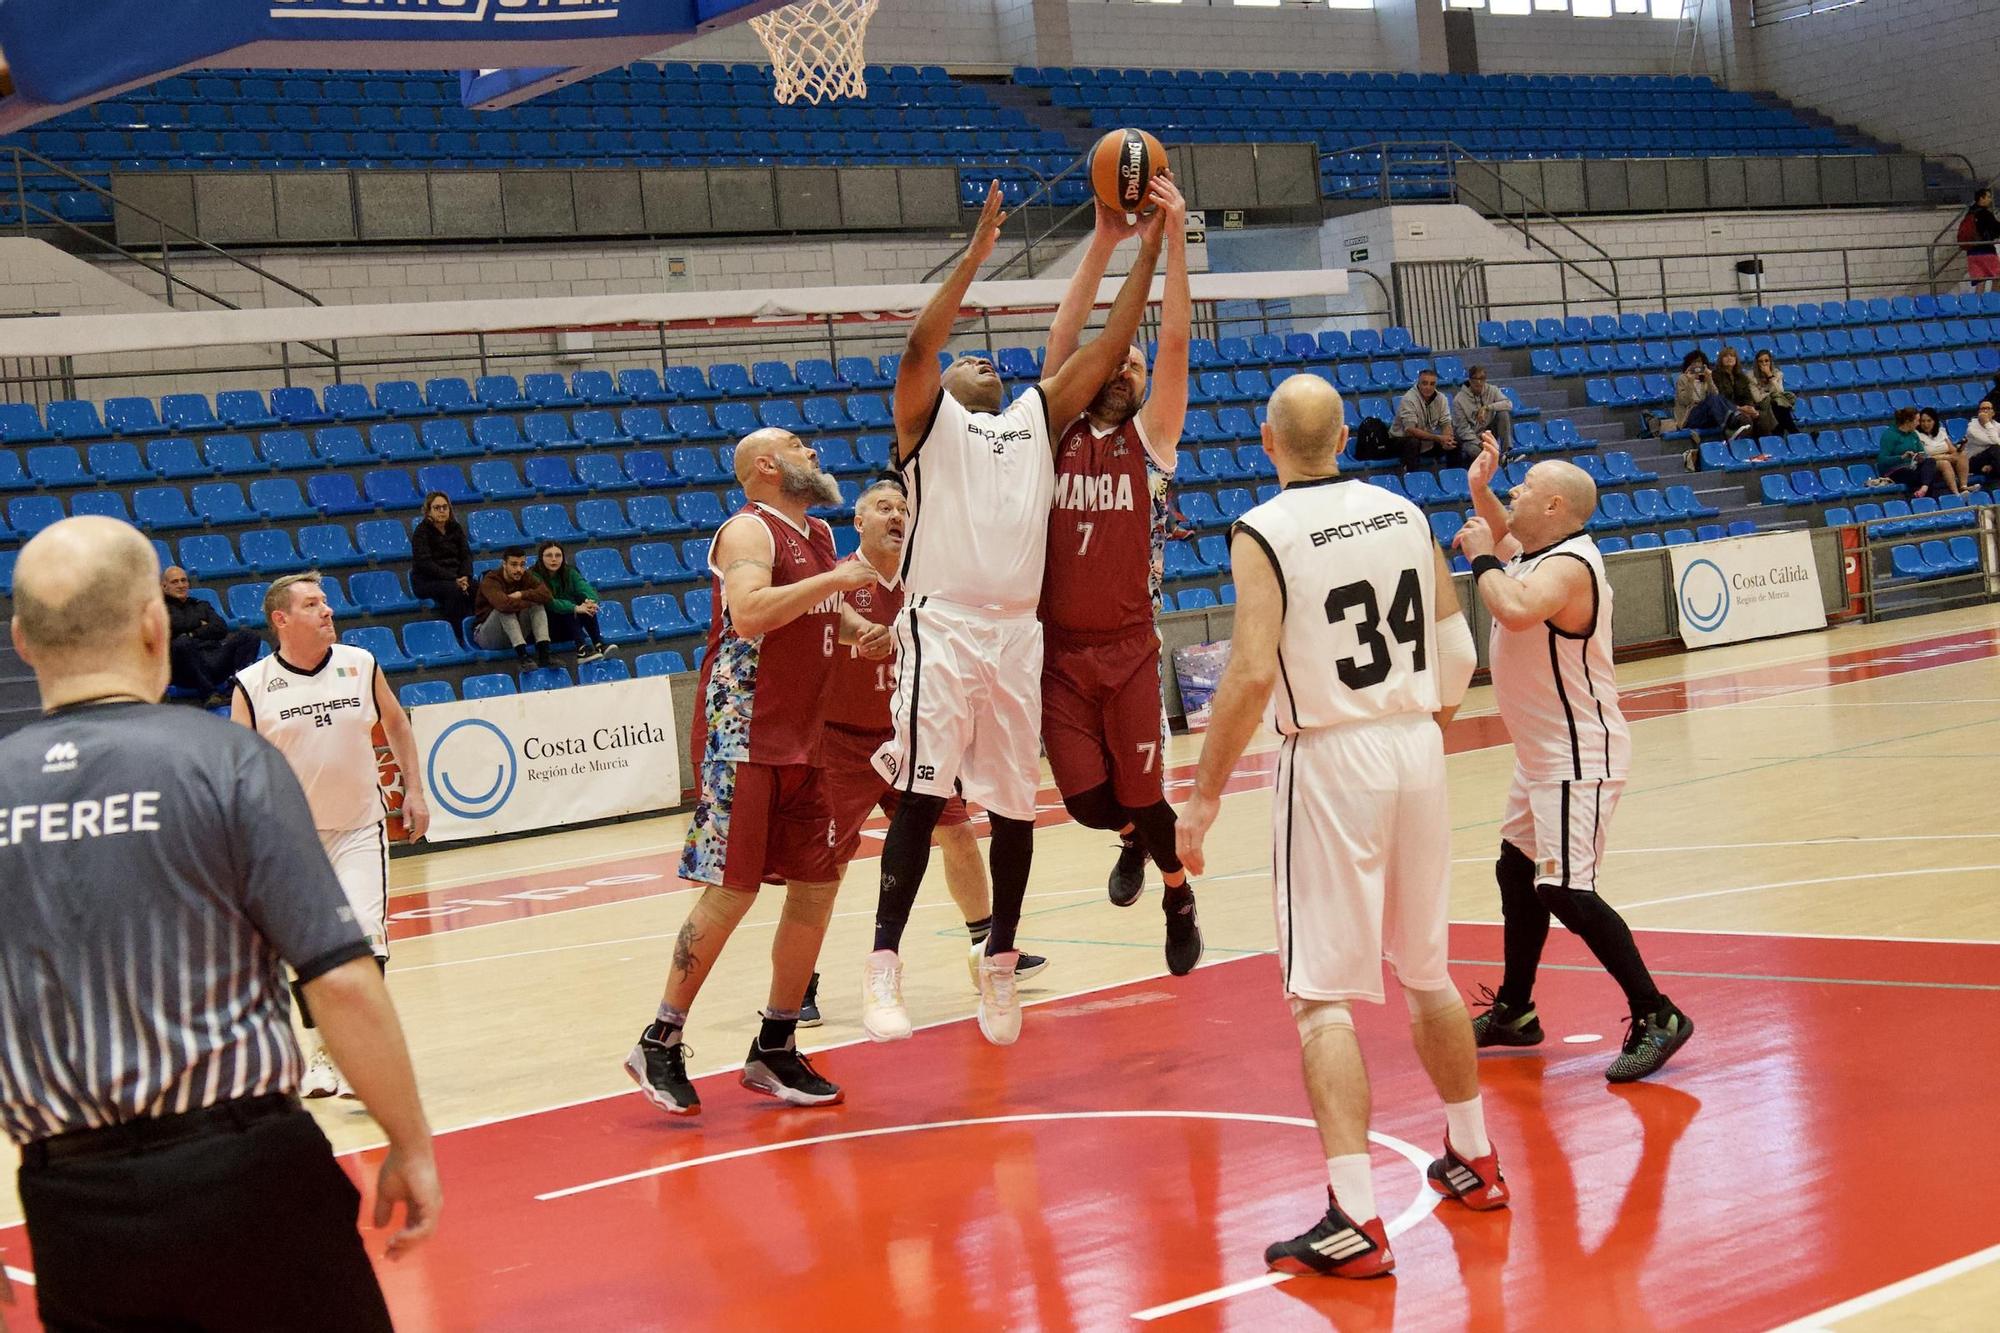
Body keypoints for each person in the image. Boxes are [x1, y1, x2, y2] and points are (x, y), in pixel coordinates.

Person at [1, 516, 439, 1331]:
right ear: (152, 623)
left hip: (71, 1203)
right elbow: (339, 978)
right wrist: (408, 1142)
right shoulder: (223, 759)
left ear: (22, 639)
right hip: (246, 1166)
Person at [1175, 376, 1500, 1280]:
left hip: (1327, 756)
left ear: (1266, 440)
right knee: (1427, 969)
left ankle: (1354, 1214)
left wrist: (1200, 798)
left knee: (1319, 993)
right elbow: (1461, 647)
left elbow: (1245, 674)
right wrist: (1427, 722)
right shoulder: (1402, 509)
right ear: (1349, 434)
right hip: (1416, 746)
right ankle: (1473, 1156)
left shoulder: (1262, 529)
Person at [860, 179, 1167, 1048]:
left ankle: (999, 961)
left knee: (1013, 809)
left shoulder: (1036, 413)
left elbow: (1109, 346)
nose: (981, 357)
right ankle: (884, 961)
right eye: (969, 357)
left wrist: (1143, 247)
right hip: (945, 624)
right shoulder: (927, 424)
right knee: (921, 795)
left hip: (1015, 635)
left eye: (990, 354)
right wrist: (974, 263)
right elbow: (921, 344)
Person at [625, 429, 891, 1116]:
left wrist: (863, 630)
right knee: (733, 889)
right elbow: (748, 613)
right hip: (746, 734)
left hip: (809, 735)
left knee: (818, 885)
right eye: (801, 446)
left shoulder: (821, 537)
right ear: (767, 466)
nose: (818, 453)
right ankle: (660, 1037)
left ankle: (774, 1044)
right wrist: (838, 584)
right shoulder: (748, 530)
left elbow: (815, 609)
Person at [1455, 442, 1694, 1084]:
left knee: (1565, 888)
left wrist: (1478, 554)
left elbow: (1513, 605)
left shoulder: (1567, 568)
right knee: (1515, 869)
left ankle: (1657, 1014)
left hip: (1578, 752)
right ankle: (1515, 1010)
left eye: (1524, 486)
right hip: (1542, 755)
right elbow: (1507, 550)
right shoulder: (1540, 555)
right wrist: (1482, 488)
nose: (1515, 493)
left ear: (1556, 504)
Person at [805, 476, 1050, 1025]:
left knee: (958, 834)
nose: (896, 515)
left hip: (914, 733)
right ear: (859, 522)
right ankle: (803, 978)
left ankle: (987, 946)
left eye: (904, 508)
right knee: (827, 862)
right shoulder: (836, 579)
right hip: (843, 740)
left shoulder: (931, 582)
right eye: (884, 507)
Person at [1036, 179, 1201, 974]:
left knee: (1142, 794)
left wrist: (1170, 240)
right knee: (1085, 804)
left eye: (1131, 359)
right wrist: (1103, 242)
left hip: (1130, 648)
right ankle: (1133, 838)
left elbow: (1172, 344)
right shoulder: (1054, 428)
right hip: (1061, 654)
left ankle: (1175, 888)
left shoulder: (1153, 443)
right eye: (1114, 355)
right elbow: (1067, 338)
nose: (1124, 363)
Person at [231, 571, 432, 1099]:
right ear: (282, 619)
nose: (327, 610)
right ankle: (323, 1054)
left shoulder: (359, 664)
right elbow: (240, 766)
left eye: (325, 602)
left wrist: (414, 791)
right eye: (313, 604)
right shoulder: (252, 685)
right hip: (292, 840)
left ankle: (363, 1061)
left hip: (360, 827)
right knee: (312, 951)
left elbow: (397, 724)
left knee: (367, 935)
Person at [161, 565, 260, 704]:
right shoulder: (158, 608)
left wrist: (192, 633)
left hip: (214, 658)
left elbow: (221, 628)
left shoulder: (201, 605)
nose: (181, 585)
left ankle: (235, 689)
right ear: (164, 586)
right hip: (185, 669)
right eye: (175, 582)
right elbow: (172, 627)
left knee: (249, 635)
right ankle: (210, 695)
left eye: (184, 580)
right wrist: (200, 624)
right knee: (182, 642)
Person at [533, 540, 613, 663]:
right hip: (546, 630)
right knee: (569, 606)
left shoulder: (569, 571)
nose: (554, 559)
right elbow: (550, 602)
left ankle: (599, 644)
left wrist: (590, 602)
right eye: (549, 555)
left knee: (584, 603)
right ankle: (582, 649)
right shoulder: (533, 576)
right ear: (541, 558)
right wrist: (575, 608)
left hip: (569, 627)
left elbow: (584, 587)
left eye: (558, 555)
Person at [409, 491, 476, 637]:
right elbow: (425, 564)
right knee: (454, 591)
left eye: (445, 507)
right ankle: (457, 634)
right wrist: (454, 579)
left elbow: (466, 555)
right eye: (437, 508)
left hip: (457, 577)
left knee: (478, 587)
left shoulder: (455, 528)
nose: (442, 511)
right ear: (428, 511)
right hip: (427, 580)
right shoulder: (421, 532)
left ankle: (478, 631)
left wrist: (465, 576)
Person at [475, 546, 554, 666]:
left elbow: (547, 595)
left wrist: (521, 594)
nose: (519, 569)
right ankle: (522, 656)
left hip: (514, 631)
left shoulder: (525, 576)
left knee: (537, 605)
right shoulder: (490, 580)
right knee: (503, 609)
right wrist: (528, 601)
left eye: (522, 565)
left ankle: (544, 654)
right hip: (488, 635)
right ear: (504, 564)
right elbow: (503, 605)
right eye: (514, 564)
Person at [1667, 350, 1758, 450]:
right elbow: (1684, 401)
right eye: (1694, 363)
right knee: (1711, 399)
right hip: (1689, 417)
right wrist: (1690, 382)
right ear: (1688, 365)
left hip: (1706, 415)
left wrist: (1709, 378)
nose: (1697, 365)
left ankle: (1735, 421)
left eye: (1699, 363)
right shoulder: (1683, 379)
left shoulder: (1705, 380)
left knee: (1716, 397)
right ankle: (1733, 422)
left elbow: (1716, 396)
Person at [1390, 367, 1460, 471]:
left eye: (1432, 384)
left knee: (1455, 442)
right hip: (1400, 440)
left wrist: (1447, 438)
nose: (1428, 387)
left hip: (1426, 441)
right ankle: (1412, 477)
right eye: (1425, 383)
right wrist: (1439, 438)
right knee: (1413, 442)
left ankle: (1454, 478)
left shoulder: (1441, 398)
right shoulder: (1408, 399)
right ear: (1418, 383)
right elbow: (1410, 430)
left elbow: (1446, 422)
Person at [1877, 406, 1944, 497]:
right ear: (1908, 422)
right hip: (1895, 470)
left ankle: (1924, 489)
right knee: (1925, 476)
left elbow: (1922, 452)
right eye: (1917, 421)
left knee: (1930, 461)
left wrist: (1919, 457)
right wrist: (1901, 457)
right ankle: (1928, 496)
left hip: (1912, 466)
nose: (1918, 424)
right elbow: (1882, 460)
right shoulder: (1889, 435)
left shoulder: (1913, 434)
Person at [1451, 365, 1512, 459]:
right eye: (1476, 382)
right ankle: (1496, 462)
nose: (1479, 384)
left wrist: (1487, 407)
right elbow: (1462, 430)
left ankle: (1506, 454)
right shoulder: (1458, 400)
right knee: (1472, 449)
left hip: (1489, 433)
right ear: (1470, 380)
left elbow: (1508, 404)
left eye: (1482, 380)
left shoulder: (1492, 389)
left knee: (1503, 413)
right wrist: (1480, 444)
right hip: (1472, 438)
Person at [1915, 407, 1968, 496]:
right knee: (1944, 463)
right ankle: (1956, 493)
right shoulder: (1916, 434)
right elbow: (1922, 457)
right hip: (1928, 464)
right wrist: (1944, 456)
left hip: (1946, 458)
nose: (1926, 424)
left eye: (1929, 421)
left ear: (1934, 421)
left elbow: (1953, 451)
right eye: (1923, 421)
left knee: (1962, 455)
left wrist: (1961, 446)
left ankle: (1964, 486)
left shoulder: (1941, 431)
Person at [1958, 186, 1999, 294]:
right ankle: (1992, 302)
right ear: (1981, 198)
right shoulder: (1986, 214)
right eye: (1988, 197)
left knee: (1981, 281)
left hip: (1971, 253)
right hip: (1986, 251)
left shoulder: (1970, 213)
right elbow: (1996, 229)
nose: (1990, 200)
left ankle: (1978, 305)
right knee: (1998, 277)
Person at [1748, 348, 1796, 437]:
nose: (1764, 364)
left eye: (1766, 361)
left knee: (1778, 404)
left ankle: (1781, 435)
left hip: (1776, 405)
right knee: (1778, 404)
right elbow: (1757, 398)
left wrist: (1770, 376)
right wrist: (1770, 394)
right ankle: (1795, 433)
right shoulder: (1751, 376)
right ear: (1756, 363)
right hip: (1761, 406)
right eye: (1760, 361)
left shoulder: (1777, 374)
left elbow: (1780, 392)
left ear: (1770, 362)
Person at [1963, 399, 2000, 485]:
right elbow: (1995, 442)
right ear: (1978, 412)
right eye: (1982, 409)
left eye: (1988, 408)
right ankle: (1991, 468)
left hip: (1993, 459)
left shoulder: (1998, 426)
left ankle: (1991, 468)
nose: (1985, 411)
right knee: (1995, 448)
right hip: (1973, 461)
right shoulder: (1972, 428)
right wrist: (1986, 422)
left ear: (1993, 412)